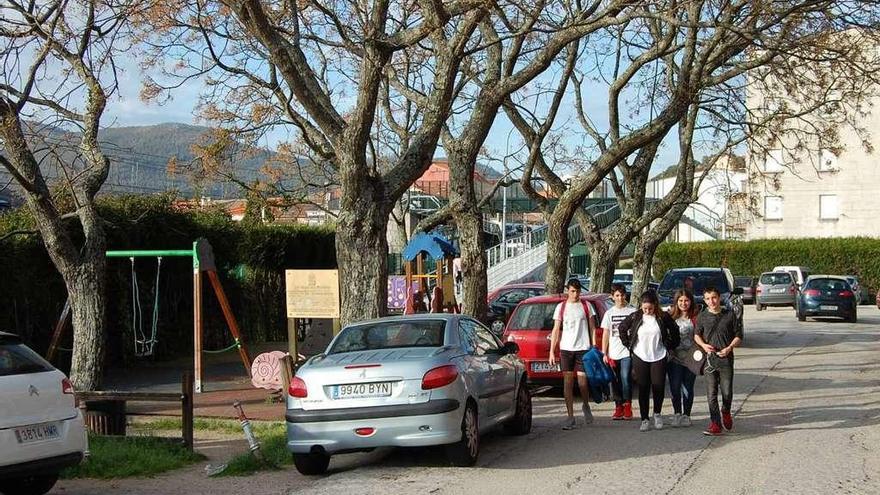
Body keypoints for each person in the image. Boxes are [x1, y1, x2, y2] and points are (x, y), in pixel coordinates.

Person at [619, 290, 680, 432]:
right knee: (643, 387)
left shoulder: (663, 317)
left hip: (658, 355)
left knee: (658, 386)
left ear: (655, 305)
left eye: (650, 308)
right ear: (641, 306)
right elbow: (622, 328)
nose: (647, 311)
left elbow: (675, 330)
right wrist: (629, 344)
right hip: (640, 356)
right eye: (644, 308)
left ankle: (657, 414)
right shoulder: (636, 316)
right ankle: (645, 418)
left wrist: (670, 345)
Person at [694, 286, 743, 436]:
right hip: (709, 360)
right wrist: (703, 345)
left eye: (714, 297)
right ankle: (715, 423)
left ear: (719, 297)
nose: (711, 301)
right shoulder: (702, 316)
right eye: (708, 299)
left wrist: (729, 348)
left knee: (727, 392)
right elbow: (696, 335)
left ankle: (726, 411)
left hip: (726, 359)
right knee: (711, 393)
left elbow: (739, 336)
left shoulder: (729, 315)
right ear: (704, 300)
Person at [549, 278, 596, 430]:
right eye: (572, 291)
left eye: (577, 291)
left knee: (582, 383)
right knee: (567, 383)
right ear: (567, 291)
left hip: (583, 347)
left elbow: (592, 327)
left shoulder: (586, 306)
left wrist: (594, 346)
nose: (575, 294)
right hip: (566, 348)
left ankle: (586, 404)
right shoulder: (561, 307)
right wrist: (551, 351)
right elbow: (556, 330)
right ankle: (570, 416)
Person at [600, 284, 637, 420]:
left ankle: (627, 405)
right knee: (615, 381)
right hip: (613, 352)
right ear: (612, 297)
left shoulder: (632, 311)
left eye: (622, 295)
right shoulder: (609, 313)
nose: (620, 298)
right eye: (617, 295)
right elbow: (606, 333)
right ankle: (618, 406)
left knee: (625, 378)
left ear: (625, 295)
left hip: (627, 352)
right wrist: (604, 352)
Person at [666, 288, 699, 427]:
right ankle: (677, 413)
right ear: (676, 302)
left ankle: (687, 415)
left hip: (691, 358)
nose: (683, 303)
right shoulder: (670, 317)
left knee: (688, 387)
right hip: (674, 358)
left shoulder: (696, 317)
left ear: (690, 302)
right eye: (680, 301)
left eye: (686, 300)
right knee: (675, 386)